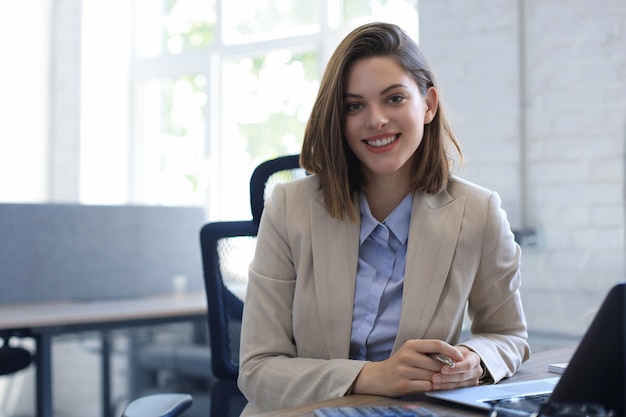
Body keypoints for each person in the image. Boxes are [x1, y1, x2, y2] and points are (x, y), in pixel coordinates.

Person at [237, 21, 530, 415]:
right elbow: (257, 370)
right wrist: (371, 377)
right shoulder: (289, 207)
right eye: (354, 105)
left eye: (393, 99)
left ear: (427, 105)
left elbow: (507, 334)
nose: (375, 120)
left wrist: (474, 359)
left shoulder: (477, 212)